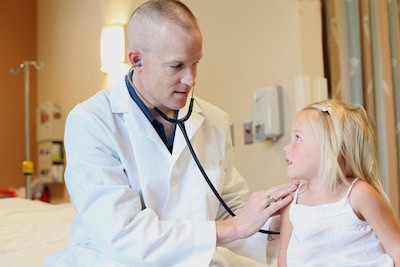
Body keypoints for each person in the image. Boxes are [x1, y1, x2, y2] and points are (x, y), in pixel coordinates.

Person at [46, 1, 298, 266]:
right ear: (136, 59)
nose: (191, 79)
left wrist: (290, 224)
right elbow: (121, 234)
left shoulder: (213, 120)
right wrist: (234, 228)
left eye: (195, 63)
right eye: (176, 66)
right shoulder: (91, 122)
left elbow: (228, 208)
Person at [278, 99, 400, 266]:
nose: (286, 147)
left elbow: (396, 247)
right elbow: (284, 259)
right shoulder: (292, 202)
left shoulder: (359, 194)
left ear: (332, 148)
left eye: (298, 137)